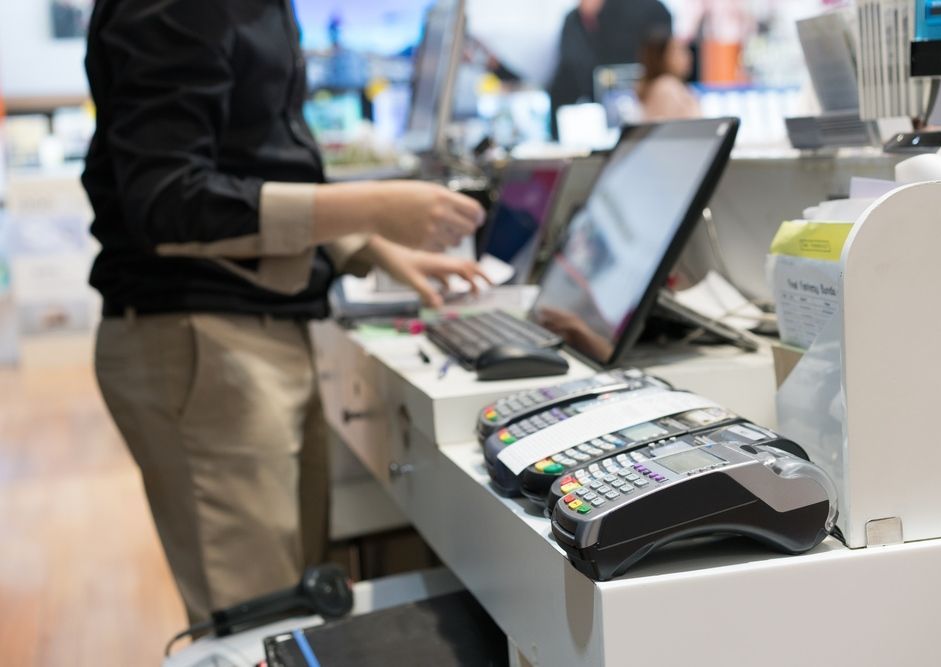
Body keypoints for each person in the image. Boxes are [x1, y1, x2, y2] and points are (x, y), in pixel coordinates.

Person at [82, 0, 486, 626]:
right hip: (201, 341)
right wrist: (371, 208)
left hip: (248, 334)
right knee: (259, 617)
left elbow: (254, 160)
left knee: (298, 598)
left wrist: (372, 245)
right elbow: (169, 201)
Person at [547, 0, 673, 136]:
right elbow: (570, 62)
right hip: (587, 103)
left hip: (634, 95)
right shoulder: (573, 20)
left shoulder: (643, 11)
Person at [637, 27, 701, 122]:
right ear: (662, 58)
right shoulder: (666, 87)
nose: (688, 56)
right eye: (680, 51)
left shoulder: (668, 86)